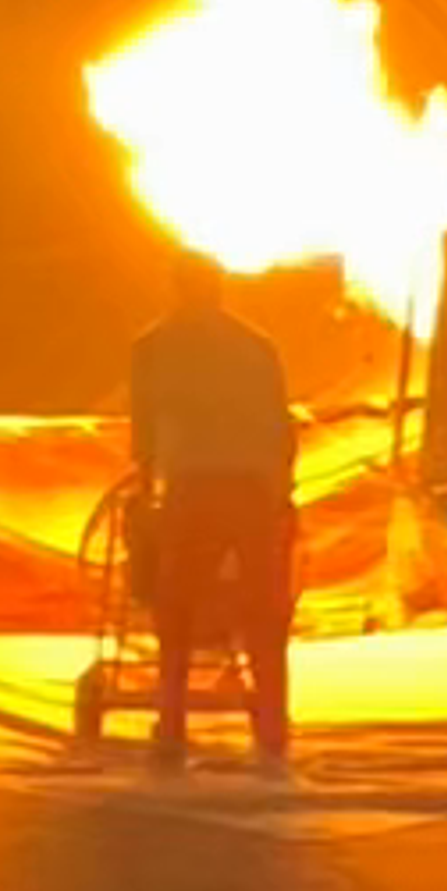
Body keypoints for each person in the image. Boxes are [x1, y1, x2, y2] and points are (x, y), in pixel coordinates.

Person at [123, 247, 298, 766]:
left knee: (175, 607)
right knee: (263, 611)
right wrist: (281, 494)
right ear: (220, 288)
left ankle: (172, 726)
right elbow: (280, 428)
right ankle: (271, 730)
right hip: (251, 491)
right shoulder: (256, 346)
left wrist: (144, 487)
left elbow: (146, 430)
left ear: (175, 287)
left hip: (192, 487)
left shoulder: (153, 346)